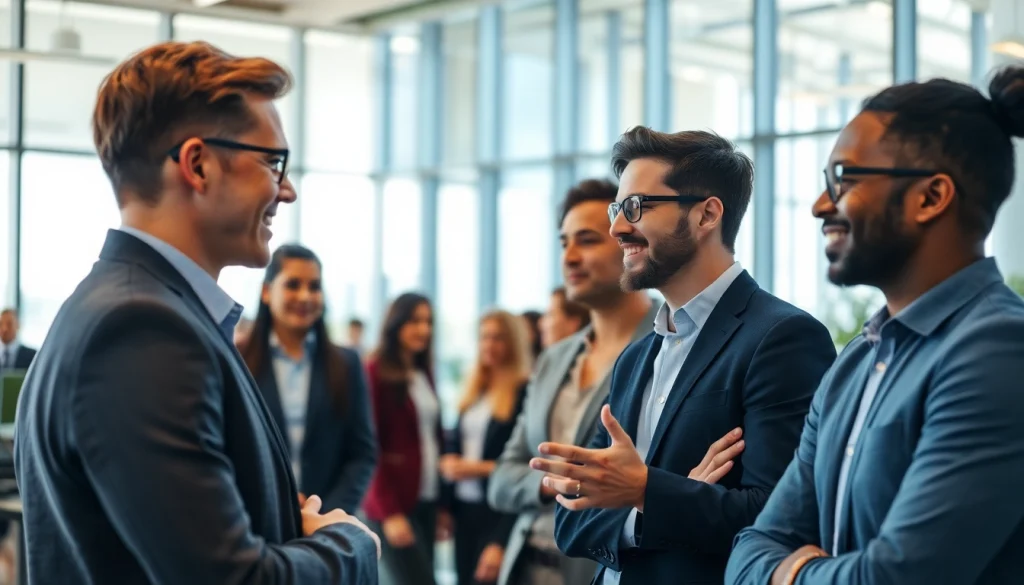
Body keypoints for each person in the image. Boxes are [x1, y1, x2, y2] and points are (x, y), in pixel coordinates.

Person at [13, 41, 379, 584]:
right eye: (272, 161)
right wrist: (348, 541)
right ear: (198, 164)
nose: (288, 189)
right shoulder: (139, 331)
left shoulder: (132, 309)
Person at [725, 67, 1024, 585]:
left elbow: (898, 578)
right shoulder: (859, 360)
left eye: (843, 178)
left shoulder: (998, 351)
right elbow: (749, 550)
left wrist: (789, 575)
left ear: (930, 197)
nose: (822, 205)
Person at [533, 128, 836, 585]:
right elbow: (571, 523)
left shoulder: (783, 337)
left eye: (635, 207)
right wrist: (660, 498)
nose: (617, 228)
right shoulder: (636, 358)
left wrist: (644, 490)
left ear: (706, 215)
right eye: (619, 209)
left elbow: (779, 516)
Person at [487, 178, 744, 585]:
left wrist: (637, 490)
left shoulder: (675, 345)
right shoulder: (554, 359)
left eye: (587, 240)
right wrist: (568, 481)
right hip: (527, 563)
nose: (570, 257)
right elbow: (502, 477)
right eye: (564, 242)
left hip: (614, 566)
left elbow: (695, 497)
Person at [240, 244, 377, 514]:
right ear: (267, 292)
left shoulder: (346, 364)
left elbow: (362, 454)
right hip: (255, 519)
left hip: (329, 522)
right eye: (293, 284)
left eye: (314, 287)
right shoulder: (238, 359)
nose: (305, 296)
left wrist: (327, 514)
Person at [439, 310, 531, 585]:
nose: (489, 345)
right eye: (484, 337)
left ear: (512, 343)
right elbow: (457, 443)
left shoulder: (523, 391)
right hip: (464, 510)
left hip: (497, 510)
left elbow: (525, 463)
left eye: (498, 338)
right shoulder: (475, 389)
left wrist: (475, 469)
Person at [364, 293, 448, 585]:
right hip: (394, 503)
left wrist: (442, 505)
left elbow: (432, 438)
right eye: (414, 321)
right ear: (396, 324)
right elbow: (368, 447)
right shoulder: (375, 372)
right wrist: (389, 512)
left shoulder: (423, 373)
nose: (423, 329)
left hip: (425, 497)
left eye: (427, 322)